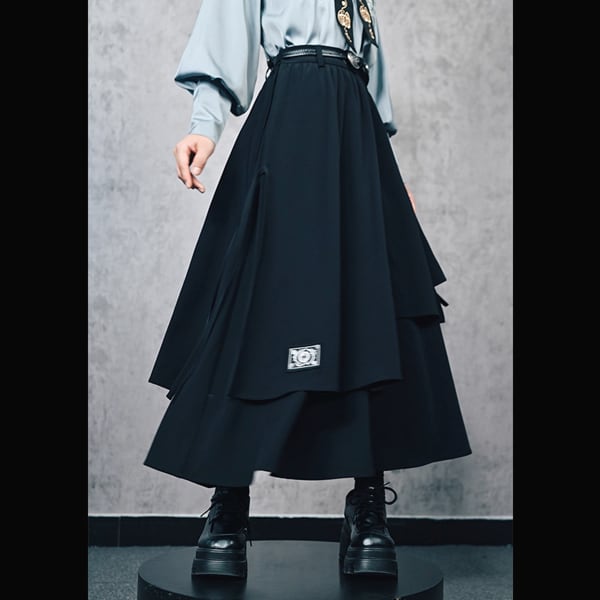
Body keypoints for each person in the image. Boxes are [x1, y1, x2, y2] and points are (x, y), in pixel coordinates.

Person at [144, 0, 471, 580]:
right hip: (289, 119)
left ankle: (367, 509)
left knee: (369, 306)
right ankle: (228, 506)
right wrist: (203, 127)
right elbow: (227, 31)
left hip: (357, 141)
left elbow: (367, 68)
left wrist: (388, 173)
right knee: (257, 301)